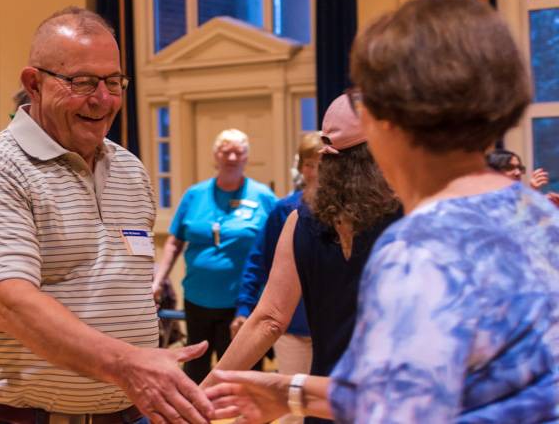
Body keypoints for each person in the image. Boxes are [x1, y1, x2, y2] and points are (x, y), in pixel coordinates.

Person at [205, 0, 559, 422]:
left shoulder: (418, 248)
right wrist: (286, 391)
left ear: (392, 120)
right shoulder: (542, 217)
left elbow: (396, 410)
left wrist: (285, 391)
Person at [0, 6, 214, 424]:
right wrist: (128, 364)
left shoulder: (128, 168)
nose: (103, 99)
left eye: (113, 82)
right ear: (33, 84)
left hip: (130, 411)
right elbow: (11, 303)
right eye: (82, 82)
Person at [206, 95, 400, 424]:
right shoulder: (412, 215)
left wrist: (205, 391)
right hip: (390, 403)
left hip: (321, 403)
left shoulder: (302, 218)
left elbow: (268, 319)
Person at [152, 129, 278, 384]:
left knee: (242, 375)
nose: (231, 157)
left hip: (243, 303)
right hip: (198, 299)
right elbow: (175, 242)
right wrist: (158, 281)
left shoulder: (262, 196)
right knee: (196, 369)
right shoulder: (195, 195)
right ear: (215, 156)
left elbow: (281, 243)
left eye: (238, 152)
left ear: (246, 158)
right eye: (225, 151)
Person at [230, 132, 322, 424]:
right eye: (309, 163)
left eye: (322, 163)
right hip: (292, 326)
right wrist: (245, 307)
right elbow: (258, 261)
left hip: (325, 327)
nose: (316, 170)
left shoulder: (349, 211)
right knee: (291, 404)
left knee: (319, 405)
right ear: (301, 167)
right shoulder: (285, 209)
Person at [486, 148, 559, 206]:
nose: (518, 173)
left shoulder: (516, 196)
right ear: (493, 172)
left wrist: (549, 205)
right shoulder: (485, 200)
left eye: (519, 168)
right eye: (509, 167)